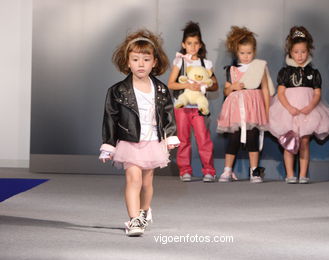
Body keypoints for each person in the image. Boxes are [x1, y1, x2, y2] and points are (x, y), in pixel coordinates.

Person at [99, 29, 180, 236]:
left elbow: (168, 114)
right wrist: (108, 145)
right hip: (129, 141)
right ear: (128, 62)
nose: (141, 64)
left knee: (147, 182)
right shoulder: (117, 91)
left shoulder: (161, 90)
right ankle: (134, 220)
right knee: (133, 179)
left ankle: (144, 211)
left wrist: (170, 136)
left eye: (146, 59)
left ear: (154, 62)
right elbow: (110, 118)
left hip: (152, 141)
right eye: (135, 59)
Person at [268, 26, 329, 184]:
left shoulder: (314, 73)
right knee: (289, 142)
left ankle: (303, 174)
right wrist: (289, 108)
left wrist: (310, 107)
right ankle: (290, 175)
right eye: (296, 52)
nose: (299, 56)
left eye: (303, 52)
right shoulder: (285, 72)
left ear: (308, 52)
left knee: (304, 142)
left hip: (308, 110)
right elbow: (280, 93)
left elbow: (317, 94)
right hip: (289, 110)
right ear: (290, 53)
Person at [217, 26, 274, 183]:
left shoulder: (259, 67)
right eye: (242, 53)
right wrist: (233, 87)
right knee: (233, 139)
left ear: (254, 52)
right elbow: (226, 91)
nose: (246, 56)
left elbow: (265, 89)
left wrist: (266, 110)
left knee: (252, 138)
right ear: (237, 52)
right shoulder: (232, 69)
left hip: (253, 109)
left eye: (249, 53)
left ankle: (254, 171)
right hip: (236, 110)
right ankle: (227, 170)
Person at [167, 21, 219, 182]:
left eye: (196, 43)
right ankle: (185, 170)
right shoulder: (179, 61)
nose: (193, 46)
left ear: (200, 44)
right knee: (183, 139)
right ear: (184, 44)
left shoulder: (206, 63)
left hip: (199, 107)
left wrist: (203, 85)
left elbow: (215, 85)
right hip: (182, 106)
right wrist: (187, 85)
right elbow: (171, 84)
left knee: (203, 138)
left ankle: (209, 170)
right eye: (189, 43)